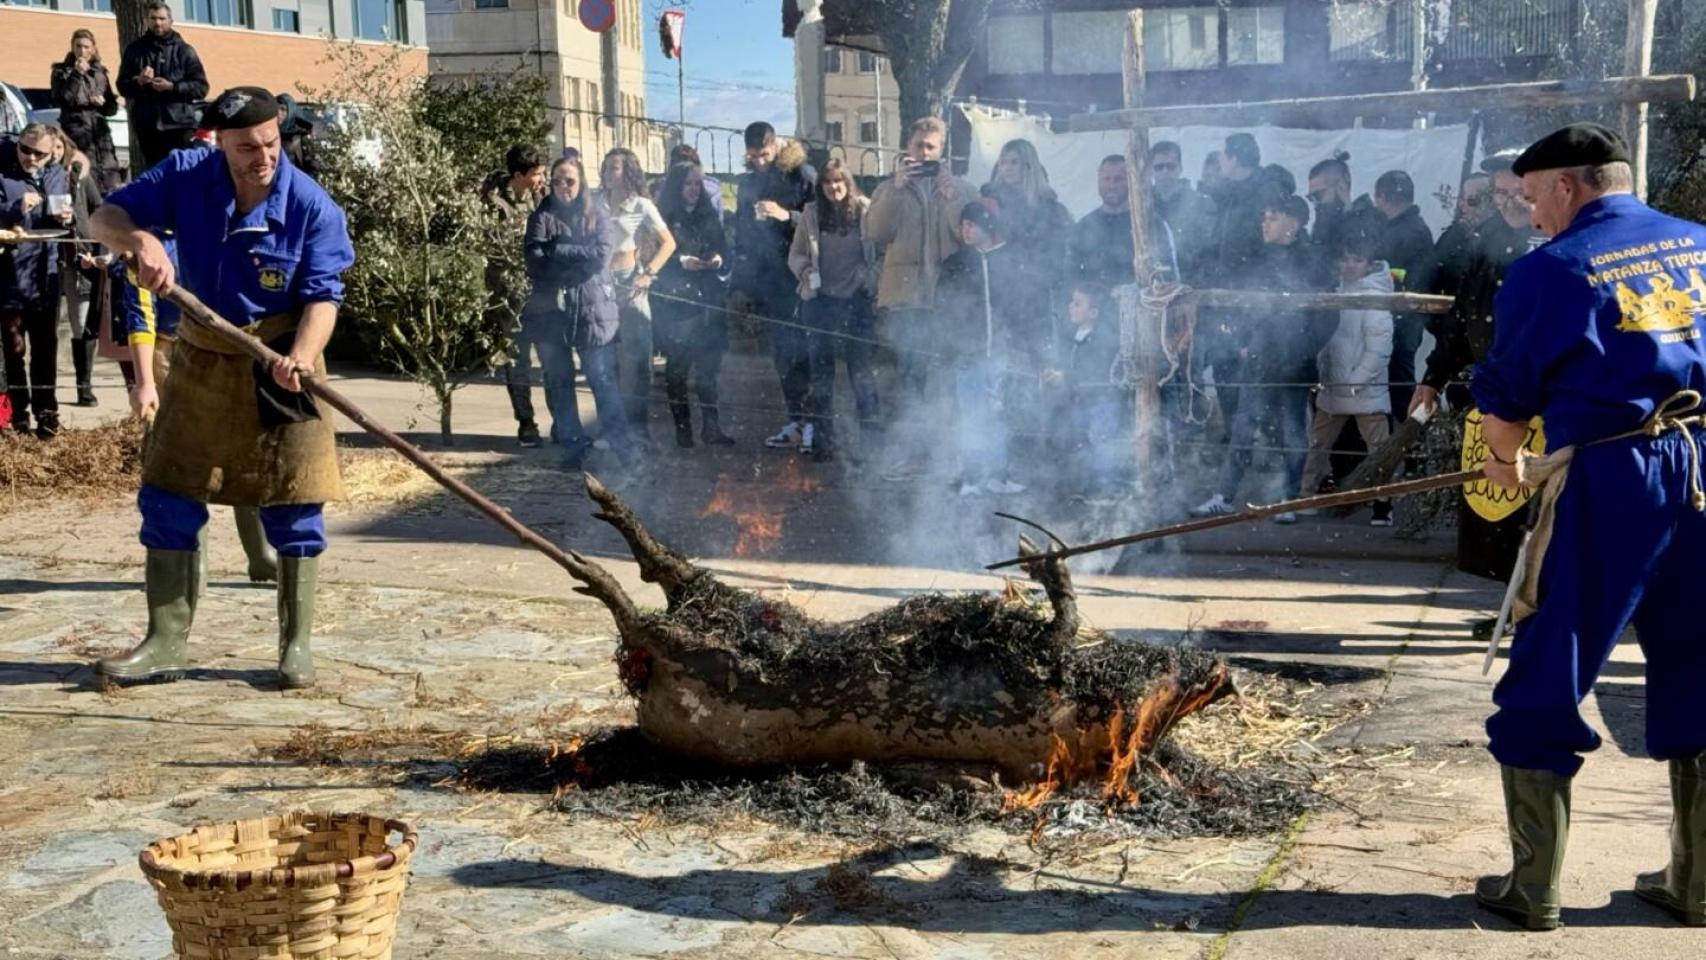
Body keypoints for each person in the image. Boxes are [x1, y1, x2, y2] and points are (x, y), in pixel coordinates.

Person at [1468, 122, 1706, 933]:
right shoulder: (1702, 244)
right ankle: (1697, 884)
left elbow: (1504, 407)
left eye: (1533, 198)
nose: (1532, 217)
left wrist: (1504, 467)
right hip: (1705, 466)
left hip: (1614, 478)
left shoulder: (1553, 269)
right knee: (1702, 658)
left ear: (1568, 186)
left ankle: (1534, 889)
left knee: (1553, 653)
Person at [88, 87, 355, 689]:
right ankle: (164, 642)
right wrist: (141, 239)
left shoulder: (312, 205)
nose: (261, 156)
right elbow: (103, 217)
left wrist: (302, 358)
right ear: (219, 144)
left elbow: (323, 297)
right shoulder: (187, 172)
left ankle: (295, 646)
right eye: (245, 147)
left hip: (280, 366)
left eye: (269, 142)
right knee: (167, 496)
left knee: (294, 503)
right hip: (201, 362)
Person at [119, 229, 281, 583]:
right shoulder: (147, 244)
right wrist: (145, 382)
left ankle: (260, 554)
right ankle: (193, 562)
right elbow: (140, 316)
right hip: (171, 356)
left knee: (245, 452)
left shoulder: (227, 225)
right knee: (184, 463)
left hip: (226, 352)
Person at [1194, 194, 1332, 519]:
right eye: (1264, 216)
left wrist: (1300, 350)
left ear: (1294, 223)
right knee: (1243, 429)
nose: (1265, 223)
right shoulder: (1258, 258)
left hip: (1294, 363)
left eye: (1273, 216)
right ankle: (1225, 495)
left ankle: (1288, 498)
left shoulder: (1313, 262)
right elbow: (1246, 306)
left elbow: (1327, 317)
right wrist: (1244, 340)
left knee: (1293, 433)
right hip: (1258, 359)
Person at [866, 115, 976, 477]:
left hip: (947, 301)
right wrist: (896, 189)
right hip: (905, 300)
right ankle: (910, 454)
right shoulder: (889, 187)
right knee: (909, 379)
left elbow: (966, 237)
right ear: (907, 147)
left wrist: (952, 198)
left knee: (945, 380)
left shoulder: (960, 187)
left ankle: (944, 454)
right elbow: (876, 232)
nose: (924, 153)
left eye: (931, 147)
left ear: (941, 149)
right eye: (918, 145)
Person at [524, 155, 639, 471]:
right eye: (557, 180)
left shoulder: (597, 212)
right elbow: (533, 259)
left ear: (581, 182)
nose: (563, 187)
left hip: (592, 310)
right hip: (550, 312)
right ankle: (573, 449)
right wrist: (572, 256)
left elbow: (600, 257)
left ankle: (626, 450)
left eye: (569, 181)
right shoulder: (542, 215)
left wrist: (557, 250)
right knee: (559, 383)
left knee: (602, 382)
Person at [729, 122, 816, 451]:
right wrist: (742, 283)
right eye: (752, 156)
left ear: (777, 146)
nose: (759, 162)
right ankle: (795, 421)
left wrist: (787, 217)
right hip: (769, 281)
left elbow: (821, 221)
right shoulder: (748, 182)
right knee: (782, 353)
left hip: (802, 279)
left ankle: (814, 424)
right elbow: (741, 233)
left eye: (763, 155)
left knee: (805, 352)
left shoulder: (803, 175)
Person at [935, 200, 1030, 496]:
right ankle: (972, 478)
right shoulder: (955, 263)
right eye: (963, 225)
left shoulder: (1010, 260)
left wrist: (1021, 344)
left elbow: (1021, 306)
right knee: (973, 417)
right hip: (968, 355)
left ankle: (999, 474)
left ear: (988, 226)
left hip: (1001, 354)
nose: (965, 230)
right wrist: (949, 344)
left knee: (999, 415)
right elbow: (944, 309)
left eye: (971, 225)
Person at [1299, 232, 1394, 525]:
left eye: (1357, 259)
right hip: (1332, 385)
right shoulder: (1334, 293)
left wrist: (1356, 383)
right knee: (1318, 445)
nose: (1350, 265)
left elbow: (1379, 348)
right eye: (1345, 259)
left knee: (1379, 450)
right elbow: (1324, 338)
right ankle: (1306, 497)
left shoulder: (1375, 298)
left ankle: (1383, 504)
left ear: (1369, 264)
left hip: (1366, 391)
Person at [789, 158, 877, 462]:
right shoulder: (811, 214)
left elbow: (880, 250)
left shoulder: (866, 210)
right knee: (822, 375)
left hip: (856, 301)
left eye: (838, 181)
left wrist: (869, 277)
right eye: (827, 183)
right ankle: (823, 442)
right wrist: (804, 271)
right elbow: (796, 254)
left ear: (848, 182)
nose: (833, 188)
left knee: (861, 372)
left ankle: (870, 442)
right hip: (821, 301)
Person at [0, 124, 74, 438]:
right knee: (14, 350)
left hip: (46, 273)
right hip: (10, 274)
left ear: (52, 150)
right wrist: (15, 210)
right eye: (26, 150)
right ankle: (17, 416)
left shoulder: (58, 173)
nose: (31, 158)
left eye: (39, 153)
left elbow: (64, 212)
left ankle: (47, 416)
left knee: (46, 348)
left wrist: (65, 218)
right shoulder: (4, 172)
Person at [654, 160, 734, 449]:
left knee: (709, 371)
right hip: (678, 304)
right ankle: (683, 430)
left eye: (697, 184)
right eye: (688, 184)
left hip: (708, 301)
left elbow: (723, 248)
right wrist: (680, 262)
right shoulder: (665, 216)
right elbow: (654, 258)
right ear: (677, 186)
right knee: (677, 371)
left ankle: (711, 427)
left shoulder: (708, 214)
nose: (693, 190)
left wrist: (717, 259)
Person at [598, 148, 675, 441]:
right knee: (608, 360)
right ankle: (612, 428)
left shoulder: (641, 205)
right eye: (606, 168)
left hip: (631, 284)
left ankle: (638, 427)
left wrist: (648, 274)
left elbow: (668, 243)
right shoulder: (596, 203)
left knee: (638, 360)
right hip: (602, 287)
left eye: (614, 168)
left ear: (628, 172)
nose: (608, 173)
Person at [483, 144, 548, 448]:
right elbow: (486, 245)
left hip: (540, 288)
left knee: (550, 355)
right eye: (536, 174)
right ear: (519, 175)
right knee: (518, 358)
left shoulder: (539, 198)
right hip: (508, 294)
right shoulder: (494, 203)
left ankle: (561, 422)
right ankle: (526, 422)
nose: (541, 178)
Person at [981, 138, 1072, 334]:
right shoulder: (989, 203)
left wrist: (1044, 277)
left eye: (1014, 162)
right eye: (1003, 162)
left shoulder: (1050, 209)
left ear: (1028, 165)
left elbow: (1059, 252)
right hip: (998, 292)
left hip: (1037, 295)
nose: (1007, 168)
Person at [1043, 281, 1124, 498]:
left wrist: (1065, 377)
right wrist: (1054, 373)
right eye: (1072, 302)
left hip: (1101, 400)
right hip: (1079, 401)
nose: (1071, 306)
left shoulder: (1104, 339)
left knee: (1102, 443)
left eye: (1078, 303)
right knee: (1082, 442)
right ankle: (1086, 487)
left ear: (1094, 312)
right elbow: (1068, 365)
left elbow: (1095, 371)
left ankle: (1107, 489)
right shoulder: (1072, 335)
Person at [1370, 170, 1434, 416]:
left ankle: (1409, 436)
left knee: (1398, 379)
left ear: (1382, 197)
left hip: (1402, 317)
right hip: (1404, 317)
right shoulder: (1413, 228)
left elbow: (1402, 275)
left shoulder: (1407, 232)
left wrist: (1378, 275)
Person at [117, 2, 208, 170]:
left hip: (179, 126)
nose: (157, 23)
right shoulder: (135, 50)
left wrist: (172, 87)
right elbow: (122, 86)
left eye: (162, 18)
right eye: (153, 18)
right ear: (147, 20)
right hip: (148, 127)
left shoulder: (184, 50)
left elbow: (201, 87)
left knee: (182, 174)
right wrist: (139, 81)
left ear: (170, 21)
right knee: (156, 177)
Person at [1069, 153, 1177, 290]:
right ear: (1098, 181)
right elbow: (1070, 278)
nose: (1111, 186)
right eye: (1106, 179)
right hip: (1097, 308)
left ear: (1131, 181)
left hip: (1142, 306)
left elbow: (1169, 277)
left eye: (1118, 179)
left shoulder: (1152, 225)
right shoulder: (1083, 228)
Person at [50, 28, 123, 191]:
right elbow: (63, 100)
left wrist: (103, 104)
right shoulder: (61, 71)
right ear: (72, 47)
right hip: (76, 132)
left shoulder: (100, 73)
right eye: (78, 46)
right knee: (82, 181)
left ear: (93, 48)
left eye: (86, 47)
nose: (82, 51)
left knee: (110, 183)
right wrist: (77, 75)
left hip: (100, 135)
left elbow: (112, 108)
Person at [1150, 140, 1217, 284]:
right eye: (1159, 167)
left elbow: (1209, 251)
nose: (1165, 172)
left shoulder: (1201, 203)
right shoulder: (1142, 206)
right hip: (1152, 288)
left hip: (1190, 285)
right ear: (1151, 170)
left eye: (1171, 166)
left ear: (1180, 168)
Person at [655, 143, 721, 215]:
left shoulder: (708, 203)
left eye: (697, 184)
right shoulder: (663, 194)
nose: (694, 188)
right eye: (688, 183)